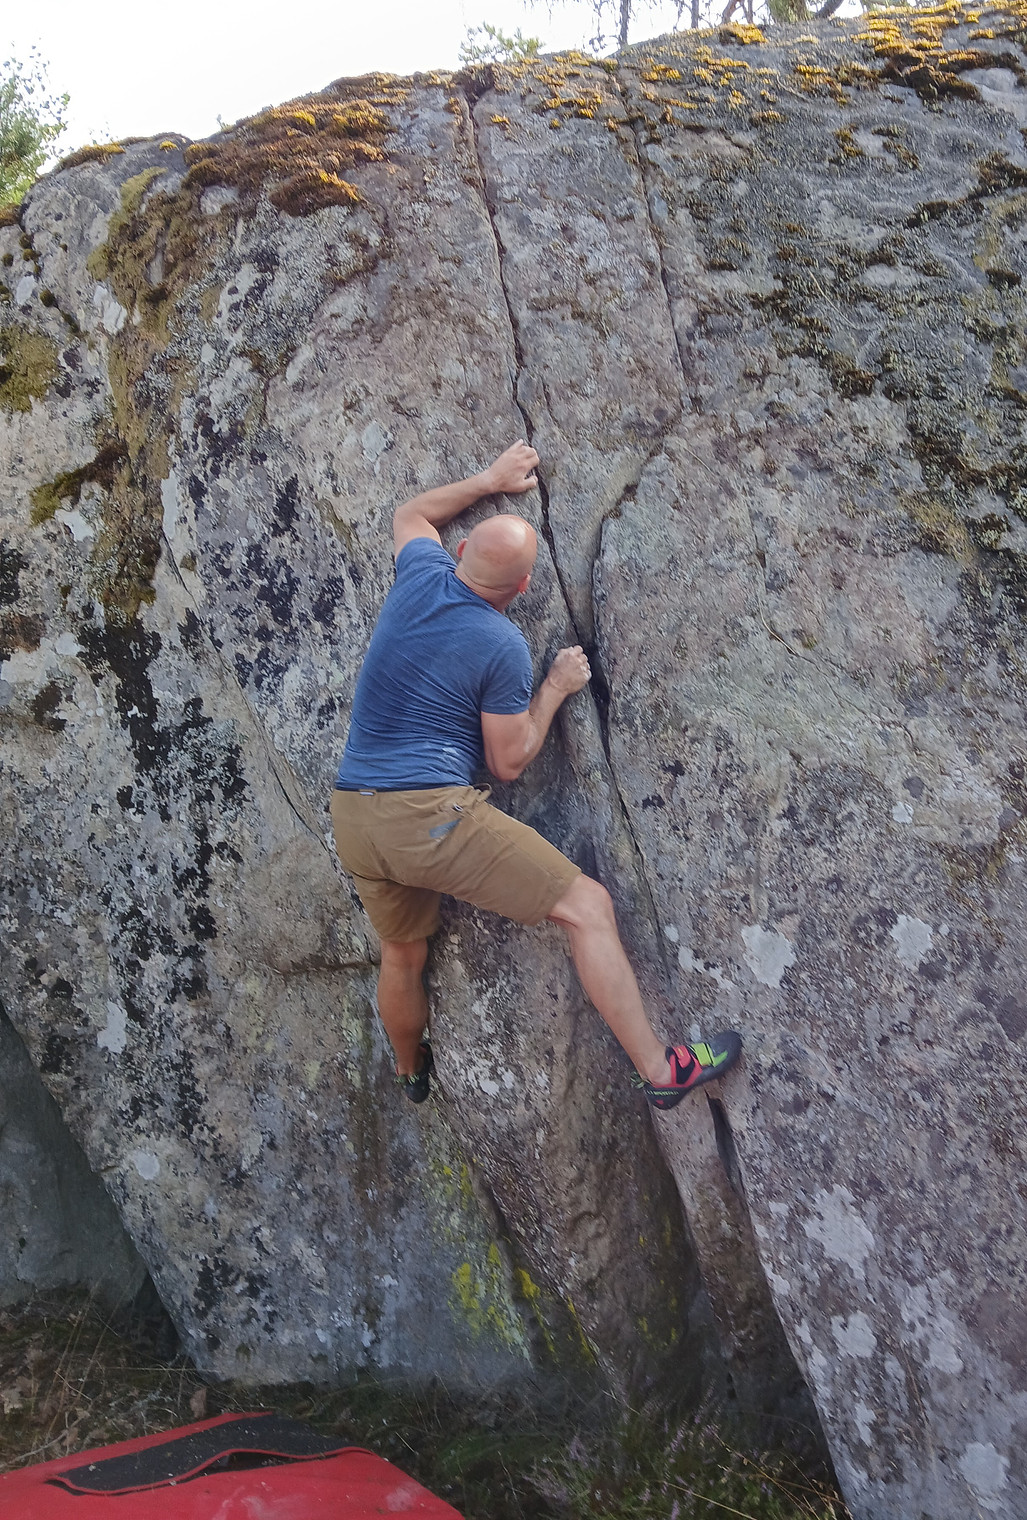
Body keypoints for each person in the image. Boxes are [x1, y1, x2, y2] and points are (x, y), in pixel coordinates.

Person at [330, 440, 741, 1109]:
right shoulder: (502, 645)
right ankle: (662, 1072)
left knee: (400, 954)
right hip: (425, 817)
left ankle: (409, 1068)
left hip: (354, 812)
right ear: (522, 589)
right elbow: (508, 760)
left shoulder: (419, 578)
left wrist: (488, 478)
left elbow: (412, 514)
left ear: (461, 551)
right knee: (588, 908)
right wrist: (554, 688)